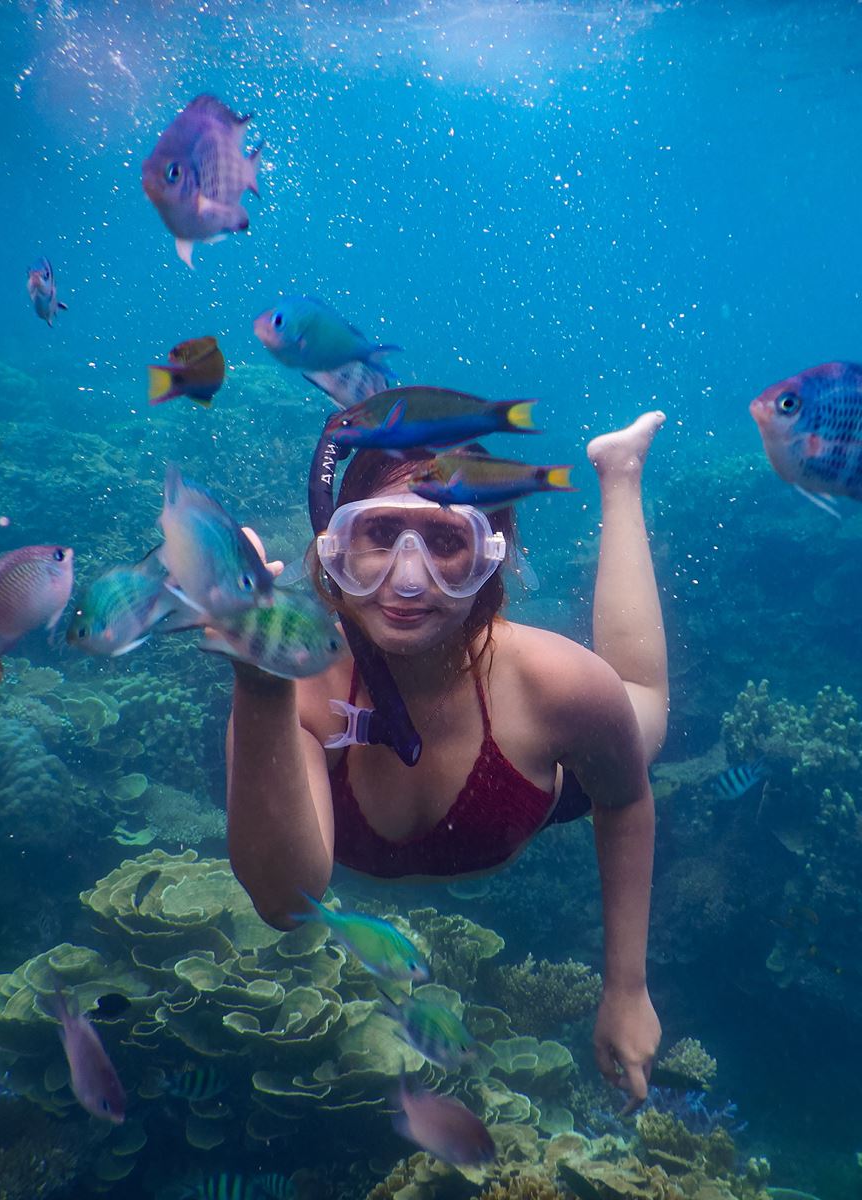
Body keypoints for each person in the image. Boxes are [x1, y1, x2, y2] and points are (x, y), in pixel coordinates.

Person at [225, 411, 669, 1108]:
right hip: (478, 761)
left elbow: (625, 800)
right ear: (332, 550)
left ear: (491, 557)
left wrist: (627, 987)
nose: (408, 581)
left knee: (642, 709)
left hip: (543, 777)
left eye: (444, 539)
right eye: (377, 535)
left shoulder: (558, 688)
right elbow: (285, 902)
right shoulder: (294, 690)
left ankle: (620, 474)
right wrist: (256, 681)